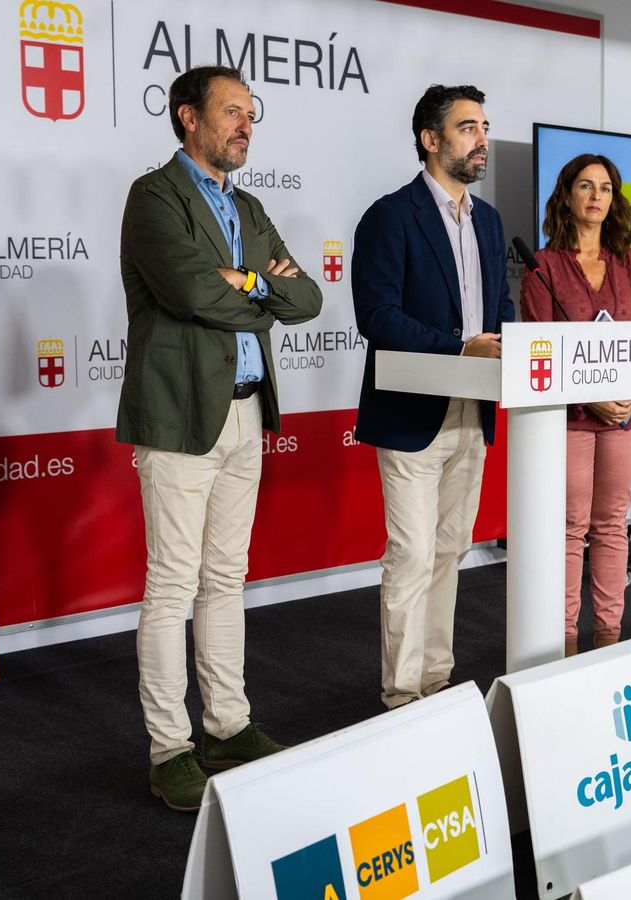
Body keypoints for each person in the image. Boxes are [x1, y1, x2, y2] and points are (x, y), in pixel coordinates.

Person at [116, 66, 323, 811]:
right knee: (172, 586)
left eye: (250, 114)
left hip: (245, 411)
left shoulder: (251, 206)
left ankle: (229, 725)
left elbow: (307, 296)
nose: (245, 125)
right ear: (188, 119)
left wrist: (247, 283)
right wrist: (247, 284)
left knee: (225, 578)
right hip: (178, 414)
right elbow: (190, 291)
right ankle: (170, 748)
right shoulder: (154, 198)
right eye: (232, 112)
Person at [352, 84, 515, 709]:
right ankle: (400, 695)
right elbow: (378, 316)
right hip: (412, 413)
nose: (482, 140)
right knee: (414, 554)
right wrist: (459, 349)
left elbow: (499, 309)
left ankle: (435, 683)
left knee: (451, 551)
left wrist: (500, 345)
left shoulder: (491, 220)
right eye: (468, 127)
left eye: (484, 126)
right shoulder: (390, 216)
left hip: (475, 412)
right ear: (430, 139)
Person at [519, 154, 631, 657]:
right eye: (585, 185)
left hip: (628, 415)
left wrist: (626, 401)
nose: (596, 196)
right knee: (570, 526)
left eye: (605, 187)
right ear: (567, 196)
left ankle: (609, 640)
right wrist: (590, 398)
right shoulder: (543, 266)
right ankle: (563, 645)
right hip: (570, 417)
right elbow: (537, 346)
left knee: (611, 522)